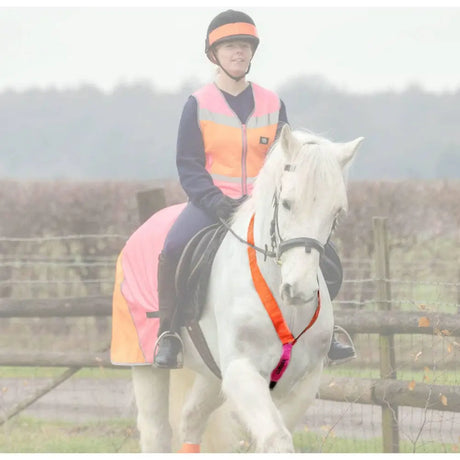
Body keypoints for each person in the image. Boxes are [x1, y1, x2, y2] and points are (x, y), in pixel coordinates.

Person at [153, 9, 355, 369]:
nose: (239, 53)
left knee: (323, 254)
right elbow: (188, 165)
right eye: (230, 46)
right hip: (212, 203)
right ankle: (168, 334)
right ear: (213, 54)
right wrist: (214, 201)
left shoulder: (273, 104)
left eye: (245, 46)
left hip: (266, 205)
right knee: (173, 247)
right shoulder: (197, 104)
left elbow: (291, 160)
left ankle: (327, 327)